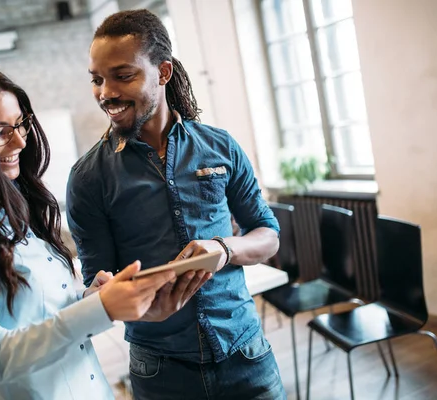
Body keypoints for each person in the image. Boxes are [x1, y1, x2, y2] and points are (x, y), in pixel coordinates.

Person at [0, 63, 177, 400]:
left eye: (21, 124)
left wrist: (93, 299)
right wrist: (98, 310)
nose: (19, 140)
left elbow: (39, 318)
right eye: (0, 131)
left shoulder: (12, 202)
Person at [67, 9, 285, 399]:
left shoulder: (220, 147)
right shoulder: (88, 178)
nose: (105, 92)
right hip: (160, 372)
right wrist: (107, 297)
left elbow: (268, 236)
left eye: (122, 75)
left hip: (246, 354)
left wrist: (223, 249)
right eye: (97, 80)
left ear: (163, 72)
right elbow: (94, 283)